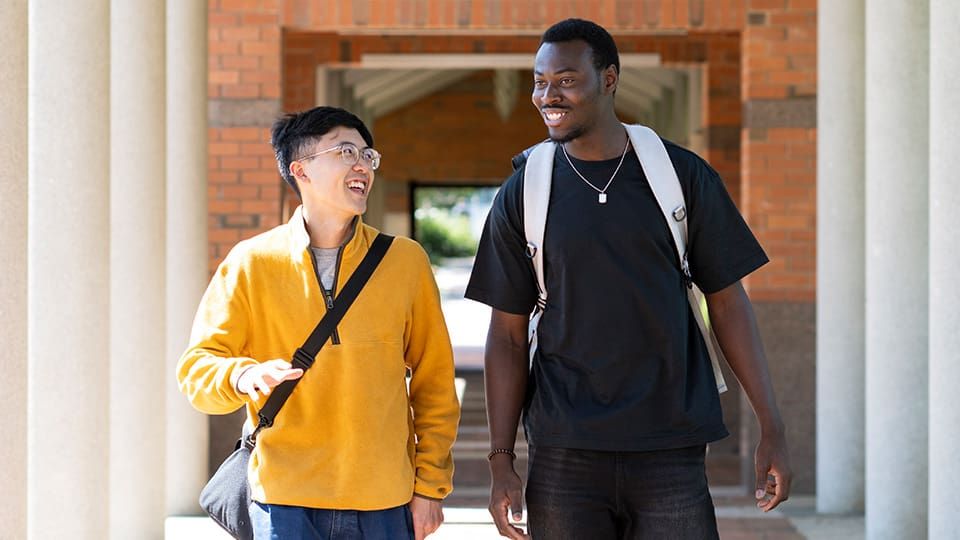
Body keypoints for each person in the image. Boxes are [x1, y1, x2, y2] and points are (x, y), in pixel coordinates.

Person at [465, 19, 792, 540]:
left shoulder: (683, 177)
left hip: (672, 446)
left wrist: (770, 425)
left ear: (609, 79)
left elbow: (728, 304)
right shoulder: (523, 192)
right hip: (563, 451)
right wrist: (501, 460)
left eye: (566, 79)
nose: (548, 95)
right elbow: (506, 335)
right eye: (539, 80)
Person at [177, 106, 460, 540]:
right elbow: (197, 371)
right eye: (346, 151)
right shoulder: (252, 262)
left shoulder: (406, 262)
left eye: (368, 155)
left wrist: (430, 488)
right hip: (284, 499)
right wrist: (243, 374)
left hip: (383, 499)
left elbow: (434, 383)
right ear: (300, 170)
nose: (362, 164)